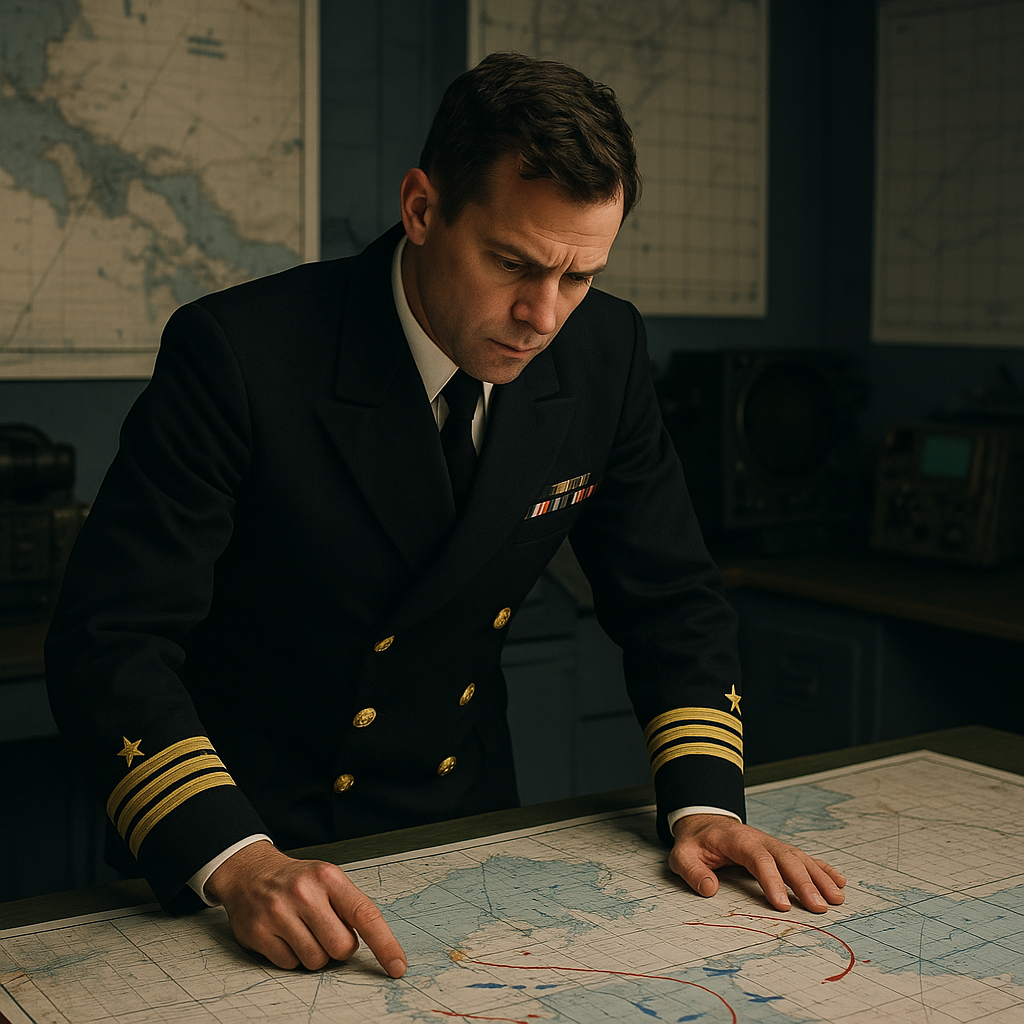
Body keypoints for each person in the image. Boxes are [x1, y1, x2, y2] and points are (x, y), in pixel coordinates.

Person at [45, 52, 845, 979]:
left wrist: (705, 804)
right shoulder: (240, 354)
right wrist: (232, 859)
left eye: (579, 275)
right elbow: (111, 640)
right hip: (245, 847)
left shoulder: (604, 352)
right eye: (512, 262)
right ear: (421, 209)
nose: (544, 316)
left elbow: (670, 597)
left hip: (467, 827)